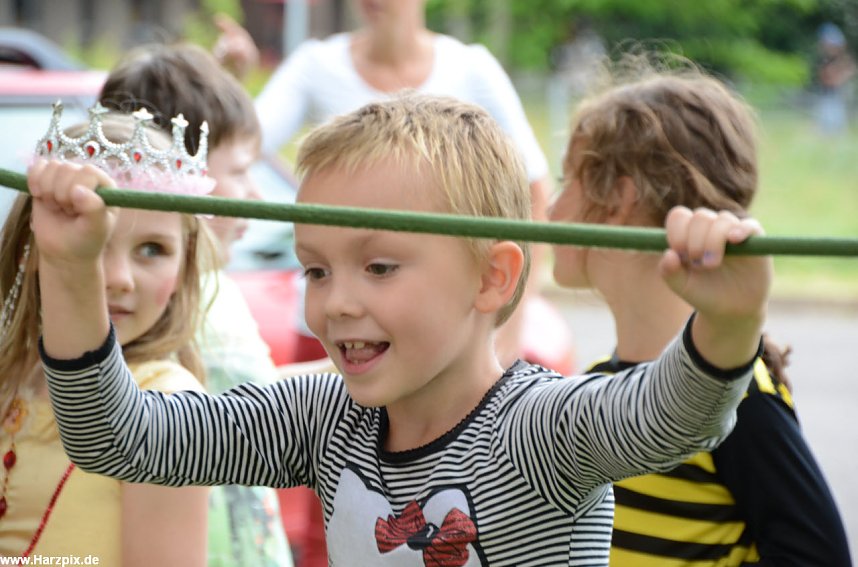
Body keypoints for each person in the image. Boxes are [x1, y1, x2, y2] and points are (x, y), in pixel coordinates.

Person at [32, 93, 771, 565]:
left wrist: (730, 319)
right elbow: (117, 439)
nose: (335, 303)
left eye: (379, 267)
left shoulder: (541, 428)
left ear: (493, 278)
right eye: (316, 270)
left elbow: (675, 417)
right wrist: (70, 272)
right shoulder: (320, 415)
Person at [548, 60, 852, 566]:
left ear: (619, 196)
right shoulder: (597, 388)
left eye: (567, 180)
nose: (552, 210)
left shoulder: (741, 399)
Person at [222, 0, 558, 369]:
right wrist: (226, 83)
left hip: (429, 327)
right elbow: (242, 146)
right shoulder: (317, 64)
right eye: (315, 270)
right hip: (325, 337)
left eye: (381, 267)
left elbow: (533, 190)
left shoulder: (471, 68)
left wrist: (515, 319)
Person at [98, 42, 295, 567]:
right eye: (239, 171)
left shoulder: (213, 286)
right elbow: (261, 406)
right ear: (181, 179)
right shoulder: (160, 308)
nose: (253, 195)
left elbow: (257, 392)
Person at [0, 106, 213, 565]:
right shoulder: (8, 378)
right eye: (91, 241)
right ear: (30, 248)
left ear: (185, 264)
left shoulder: (167, 408)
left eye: (152, 250)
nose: (119, 278)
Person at [813, 22, 856, 135]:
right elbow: (827, 79)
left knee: (836, 126)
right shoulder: (826, 61)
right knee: (828, 125)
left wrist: (841, 75)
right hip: (829, 96)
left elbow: (851, 70)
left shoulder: (839, 60)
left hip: (836, 96)